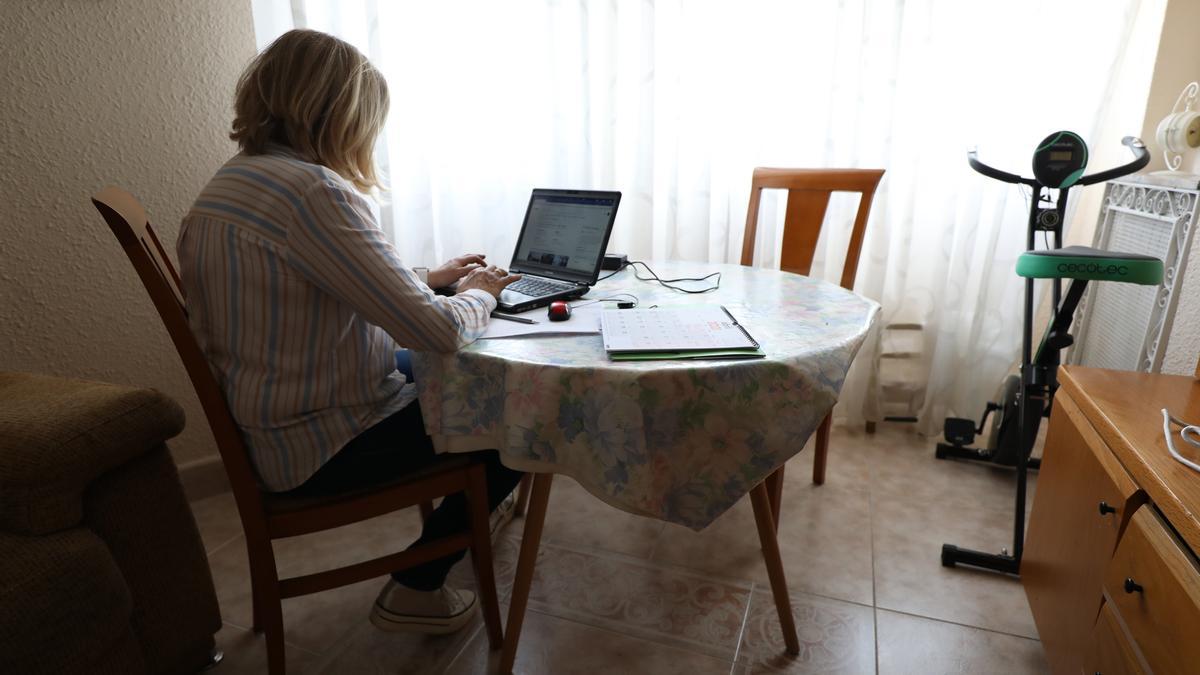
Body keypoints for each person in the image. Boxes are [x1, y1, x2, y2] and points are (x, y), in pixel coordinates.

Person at [177, 28, 525, 635]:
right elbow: (437, 332)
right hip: (325, 442)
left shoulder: (233, 181)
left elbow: (324, 282)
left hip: (276, 419)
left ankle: (477, 504)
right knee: (523, 409)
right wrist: (478, 295)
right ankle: (417, 586)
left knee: (470, 375)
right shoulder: (314, 192)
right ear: (340, 115)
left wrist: (428, 277)